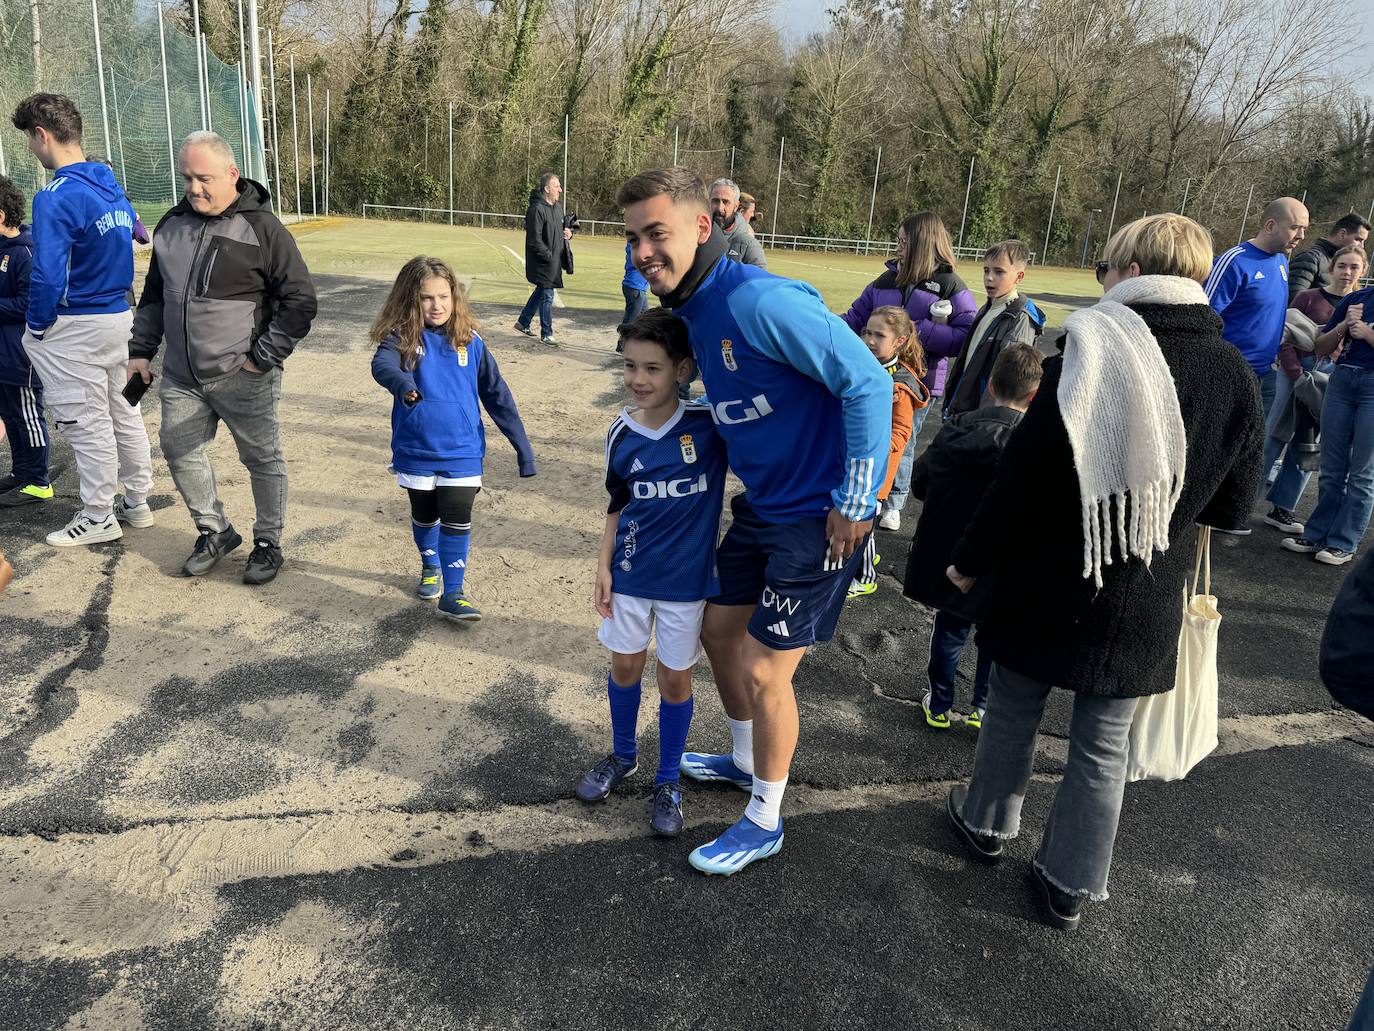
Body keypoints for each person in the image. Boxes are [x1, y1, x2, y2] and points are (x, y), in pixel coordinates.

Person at [941, 214, 1263, 930]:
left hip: (1047, 575)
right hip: (1147, 590)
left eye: (1106, 267)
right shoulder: (1235, 373)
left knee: (1013, 710)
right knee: (1102, 745)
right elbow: (1236, 510)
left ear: (1127, 268)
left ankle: (985, 824)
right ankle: (1068, 881)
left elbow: (1018, 480)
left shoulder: (1084, 351)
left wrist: (967, 559)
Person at [618, 167, 890, 875]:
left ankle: (765, 816)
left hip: (819, 518)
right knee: (716, 631)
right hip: (763, 510)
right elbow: (740, 398)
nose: (644, 250)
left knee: (768, 670)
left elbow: (867, 380)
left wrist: (858, 503)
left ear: (703, 227)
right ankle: (745, 760)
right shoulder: (694, 316)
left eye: (658, 233)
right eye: (633, 237)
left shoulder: (762, 299)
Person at [128, 130, 317, 585]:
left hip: (243, 375)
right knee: (178, 449)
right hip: (181, 376)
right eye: (188, 178)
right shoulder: (171, 225)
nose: (194, 188)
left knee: (262, 459)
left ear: (232, 173)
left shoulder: (263, 229)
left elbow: (300, 301)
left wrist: (260, 359)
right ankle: (215, 532)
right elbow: (155, 297)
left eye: (204, 178)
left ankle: (268, 542)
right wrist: (140, 352)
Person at [574, 309, 728, 836]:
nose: (638, 379)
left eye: (653, 368)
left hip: (687, 584)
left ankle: (668, 780)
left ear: (683, 369)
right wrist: (603, 565)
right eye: (630, 367)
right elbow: (617, 504)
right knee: (624, 668)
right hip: (632, 574)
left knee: (675, 679)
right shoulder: (620, 433)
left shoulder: (710, 427)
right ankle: (622, 756)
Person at [12, 92, 154, 547]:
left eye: (30, 142)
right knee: (122, 411)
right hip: (118, 316)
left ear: (42, 135)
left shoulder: (56, 195)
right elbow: (139, 231)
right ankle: (137, 500)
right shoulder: (107, 181)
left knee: (85, 420)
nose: (32, 151)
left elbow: (48, 274)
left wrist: (36, 326)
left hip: (79, 322)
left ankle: (98, 515)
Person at [370, 256, 535, 620]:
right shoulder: (402, 339)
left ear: (455, 297)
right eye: (427, 298)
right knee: (425, 516)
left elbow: (497, 395)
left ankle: (454, 592)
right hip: (416, 449)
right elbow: (381, 366)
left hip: (463, 450)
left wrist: (523, 449)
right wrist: (403, 384)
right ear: (412, 299)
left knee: (458, 516)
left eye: (444, 296)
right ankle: (430, 567)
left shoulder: (470, 341)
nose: (437, 305)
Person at [902, 343, 1043, 731]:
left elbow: (921, 480)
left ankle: (941, 703)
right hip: (1002, 560)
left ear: (992, 385)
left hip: (952, 553)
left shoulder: (957, 431)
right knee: (991, 637)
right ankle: (982, 706)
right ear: (1034, 395)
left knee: (949, 630)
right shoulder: (1032, 445)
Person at [840, 212, 977, 530]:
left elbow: (964, 336)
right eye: (898, 240)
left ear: (923, 244)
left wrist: (916, 330)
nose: (897, 246)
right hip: (875, 377)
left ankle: (895, 501)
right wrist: (823, 325)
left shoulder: (948, 284)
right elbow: (855, 317)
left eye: (904, 241)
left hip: (919, 382)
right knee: (872, 434)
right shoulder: (885, 280)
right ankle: (872, 491)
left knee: (904, 438)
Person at [1261, 243, 1366, 535]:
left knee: (1308, 443)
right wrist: (1294, 373)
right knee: (1274, 434)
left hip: (1330, 379)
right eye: (1342, 265)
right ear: (1331, 268)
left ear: (1363, 271)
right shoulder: (1308, 297)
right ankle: (1244, 500)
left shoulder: (1362, 304)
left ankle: (1283, 507)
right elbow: (1285, 334)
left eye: (1354, 267)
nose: (1347, 272)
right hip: (1294, 372)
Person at [1280, 271, 1374, 565]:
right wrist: (1345, 324)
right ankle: (1317, 534)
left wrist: (1368, 335)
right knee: (1332, 468)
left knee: (1362, 473)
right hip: (1342, 382)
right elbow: (1318, 347)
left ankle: (1343, 542)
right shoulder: (1356, 299)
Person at [848, 305, 929, 598]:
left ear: (898, 342)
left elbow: (901, 432)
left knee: (864, 523)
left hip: (878, 468)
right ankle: (864, 558)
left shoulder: (900, 383)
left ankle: (866, 576)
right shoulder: (863, 364)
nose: (870, 340)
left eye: (878, 335)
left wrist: (872, 446)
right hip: (855, 460)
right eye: (867, 332)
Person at [1205, 197, 1308, 424]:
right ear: (1270, 226)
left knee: (1253, 447)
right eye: (1294, 227)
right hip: (1230, 374)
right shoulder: (1234, 261)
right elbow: (1204, 317)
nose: (1301, 236)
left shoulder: (1282, 261)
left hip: (1266, 372)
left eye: (1304, 229)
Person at [942, 239, 1045, 419]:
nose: (989, 277)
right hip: (964, 410)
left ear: (1019, 277)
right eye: (986, 270)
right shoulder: (987, 308)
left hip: (984, 418)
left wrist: (986, 420)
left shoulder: (1019, 317)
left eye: (999, 272)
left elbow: (1010, 378)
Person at [0, 175, 50, 507]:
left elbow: (29, 303)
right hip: (3, 355)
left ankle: (38, 481)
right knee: (11, 415)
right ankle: (21, 473)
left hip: (22, 355)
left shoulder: (25, 253)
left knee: (29, 416)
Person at [514, 172, 571, 346]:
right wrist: (548, 255)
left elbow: (562, 229)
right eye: (556, 186)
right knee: (547, 294)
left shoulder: (558, 207)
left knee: (542, 291)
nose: (560, 189)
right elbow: (534, 239)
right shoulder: (536, 209)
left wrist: (568, 233)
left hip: (555, 260)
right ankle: (547, 333)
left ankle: (523, 322)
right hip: (542, 261)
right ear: (547, 189)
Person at [1287, 213, 1370, 300]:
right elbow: (1295, 301)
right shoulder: (1310, 259)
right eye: (1358, 239)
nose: (1362, 246)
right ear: (1342, 234)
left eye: (1354, 267)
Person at [708, 178, 767, 267]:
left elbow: (760, 280)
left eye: (726, 202)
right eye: (715, 201)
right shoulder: (694, 237)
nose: (720, 208)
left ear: (736, 206)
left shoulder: (749, 245)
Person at [621, 240, 648, 328]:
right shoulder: (636, 245)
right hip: (635, 287)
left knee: (645, 320)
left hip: (638, 287)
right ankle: (623, 341)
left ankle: (641, 341)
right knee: (630, 322)